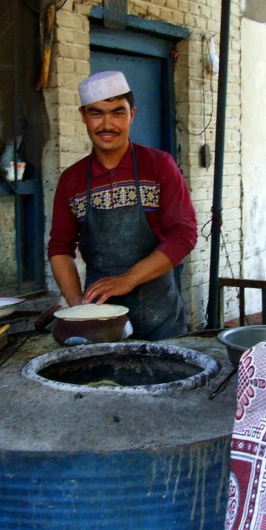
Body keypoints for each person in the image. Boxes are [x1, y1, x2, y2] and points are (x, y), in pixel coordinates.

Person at [48, 71, 198, 340]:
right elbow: (60, 248)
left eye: (118, 112)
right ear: (83, 116)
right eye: (97, 114)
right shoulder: (71, 180)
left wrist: (129, 278)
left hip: (160, 318)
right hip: (100, 321)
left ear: (133, 114)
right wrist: (78, 309)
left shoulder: (159, 166)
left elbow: (184, 234)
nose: (108, 124)